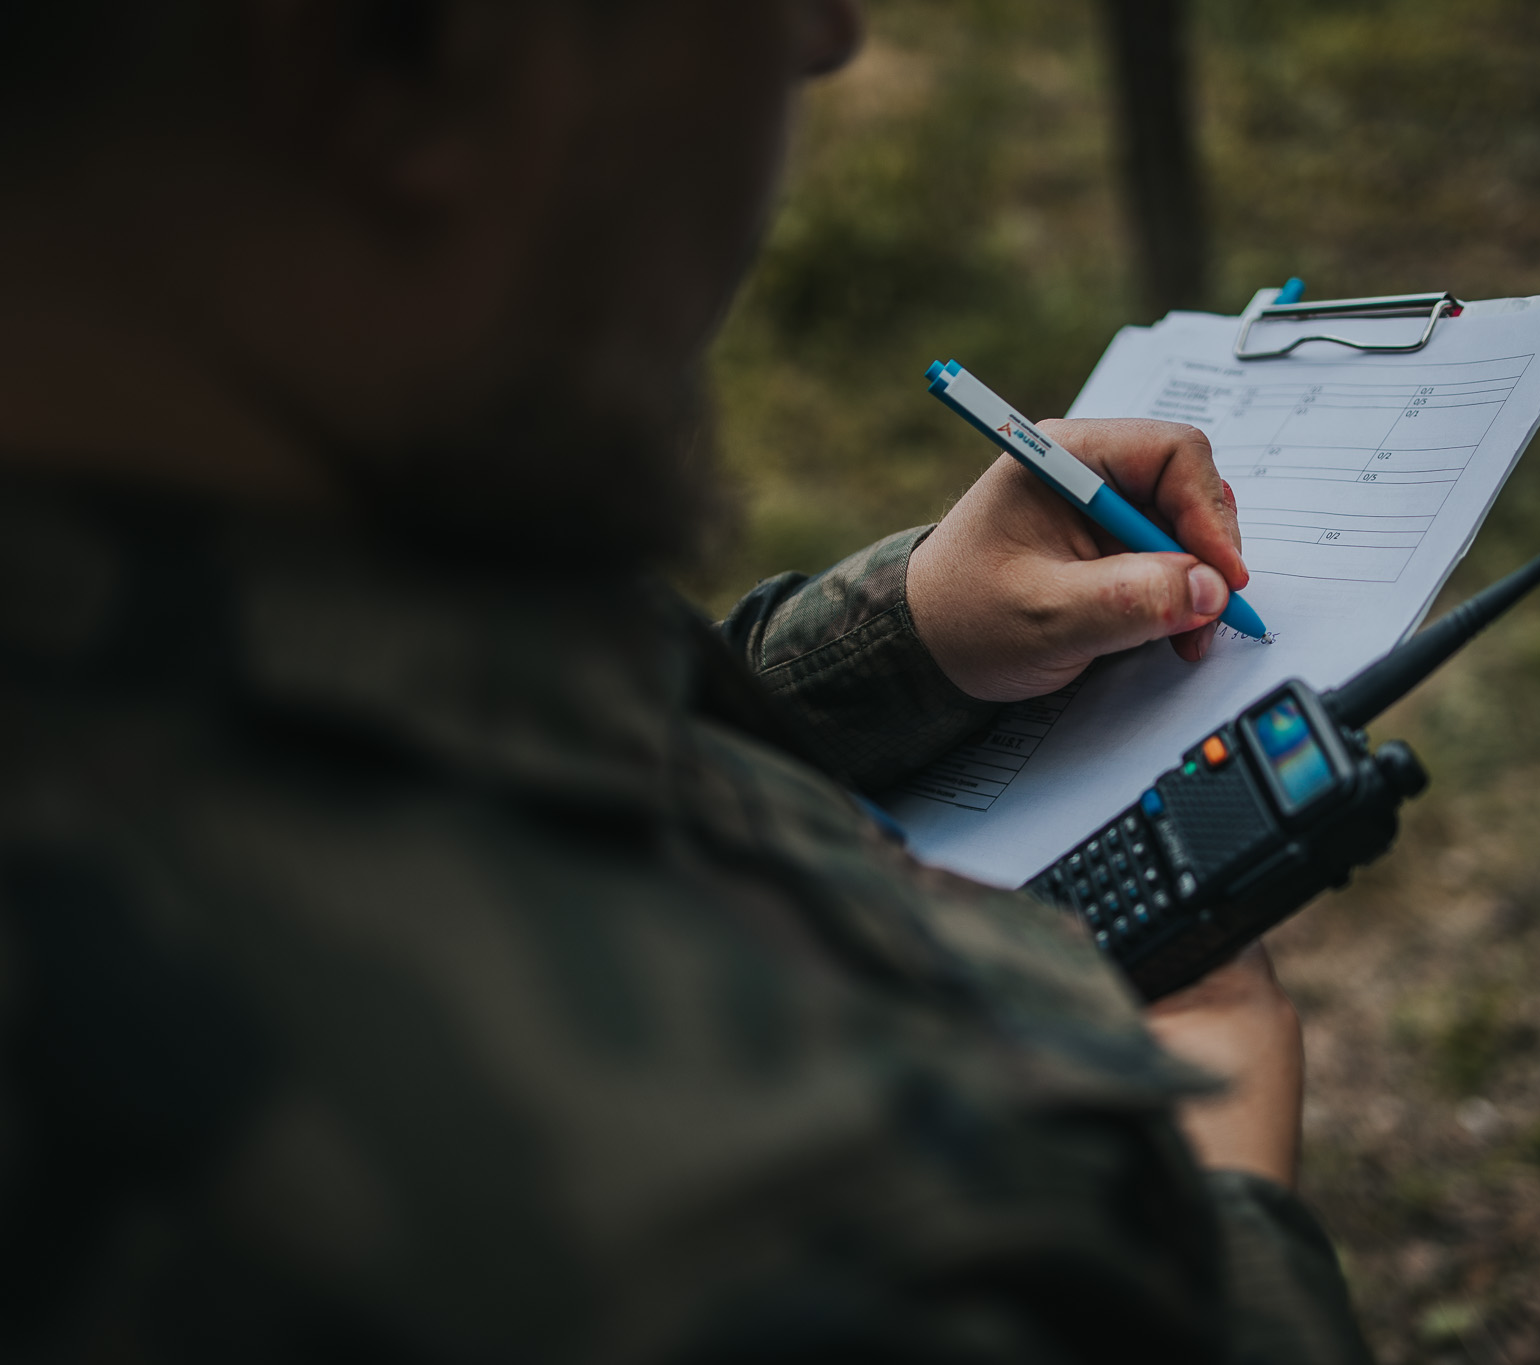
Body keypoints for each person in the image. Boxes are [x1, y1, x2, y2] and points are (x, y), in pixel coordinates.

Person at [0, 3, 1370, 1361]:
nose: (830, 36)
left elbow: (534, 736)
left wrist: (896, 638)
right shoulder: (799, 1221)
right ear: (395, 55)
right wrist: (1217, 1212)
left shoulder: (254, 592)